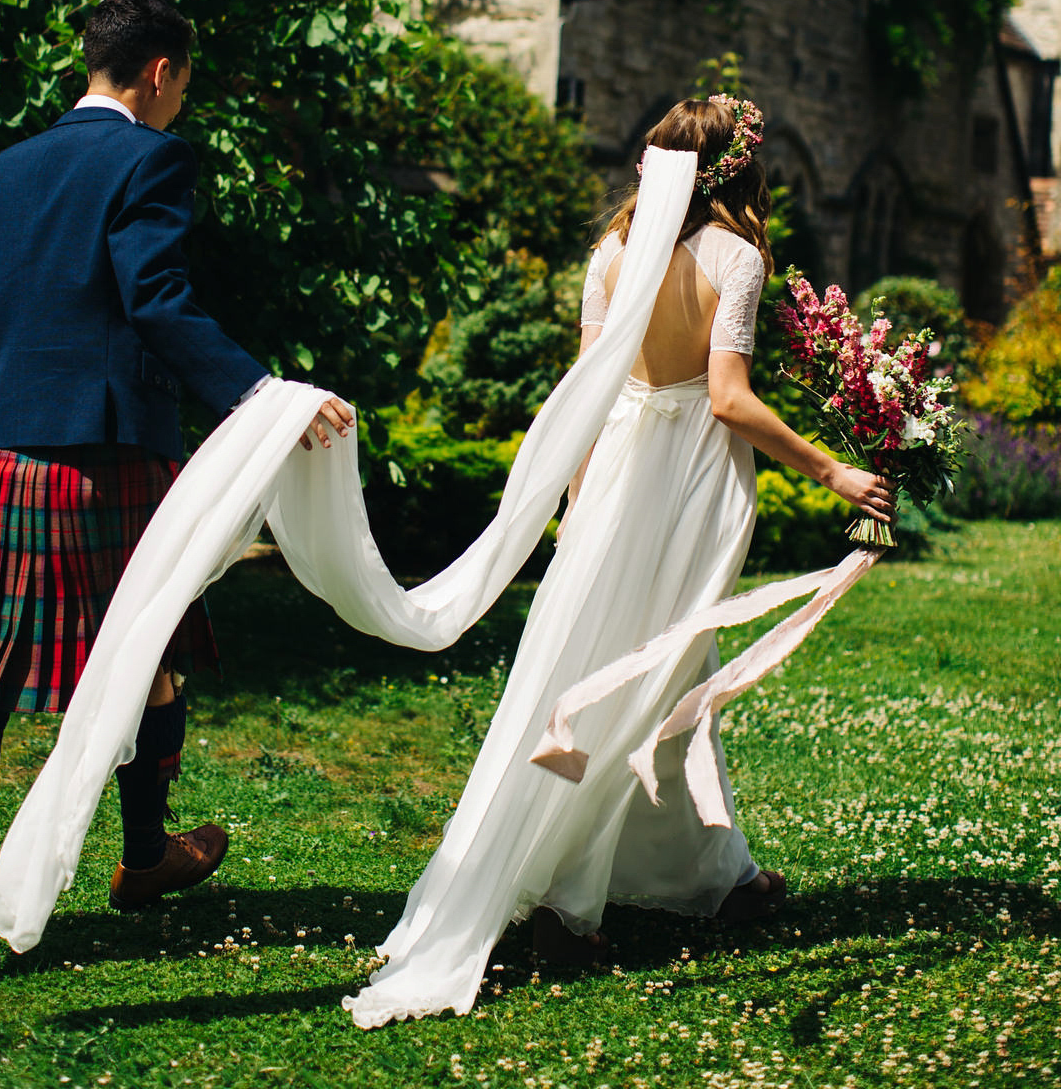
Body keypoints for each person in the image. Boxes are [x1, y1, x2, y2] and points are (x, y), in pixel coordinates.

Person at [345, 94, 893, 1026]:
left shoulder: (609, 257)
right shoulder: (737, 261)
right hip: (687, 483)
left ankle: (711, 871)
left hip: (615, 478)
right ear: (736, 174)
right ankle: (567, 903)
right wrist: (833, 468)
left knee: (643, 666)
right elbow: (725, 399)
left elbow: (587, 394)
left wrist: (577, 506)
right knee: (647, 678)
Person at [0, 0, 352, 992]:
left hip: (2, 454)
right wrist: (266, 398)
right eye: (184, 81)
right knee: (151, 648)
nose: (182, 99)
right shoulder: (151, 159)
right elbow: (156, 300)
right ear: (157, 73)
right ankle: (143, 856)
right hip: (112, 456)